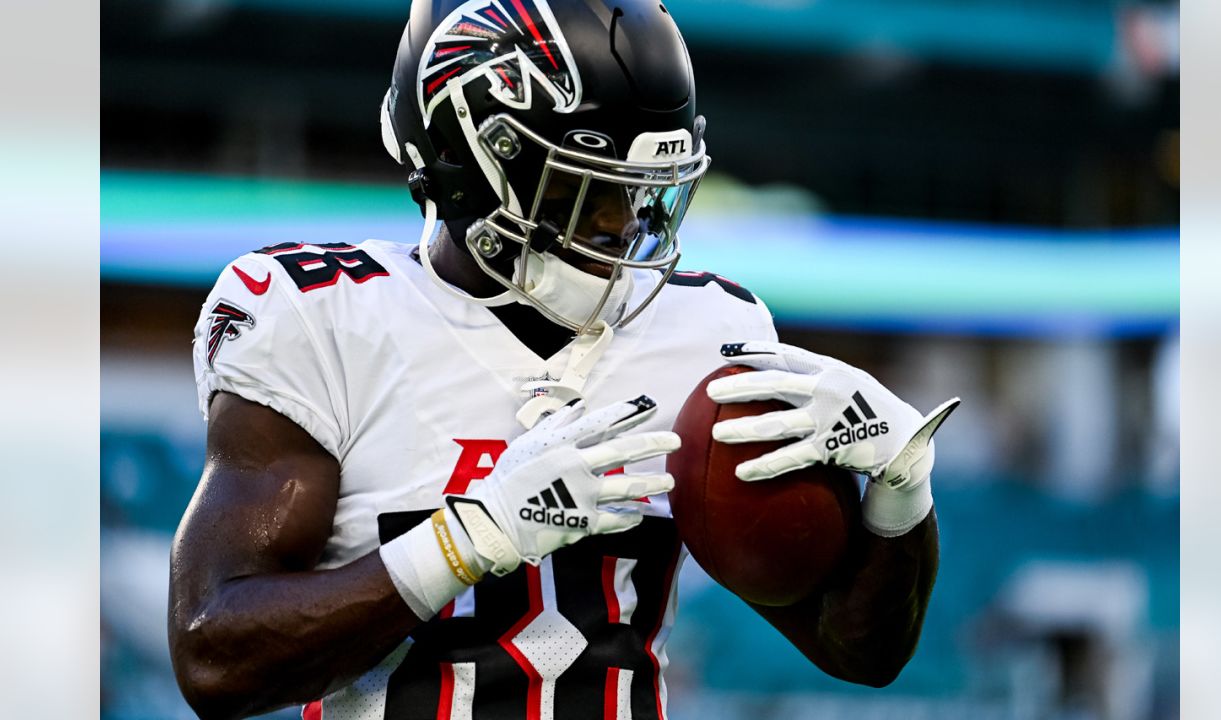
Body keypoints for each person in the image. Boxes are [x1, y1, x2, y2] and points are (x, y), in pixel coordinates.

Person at [168, 1, 957, 718]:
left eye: (644, 193)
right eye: (584, 189)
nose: (622, 230)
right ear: (477, 164)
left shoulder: (707, 329)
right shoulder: (323, 317)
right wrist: (471, 538)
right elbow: (215, 660)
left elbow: (859, 649)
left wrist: (901, 490)